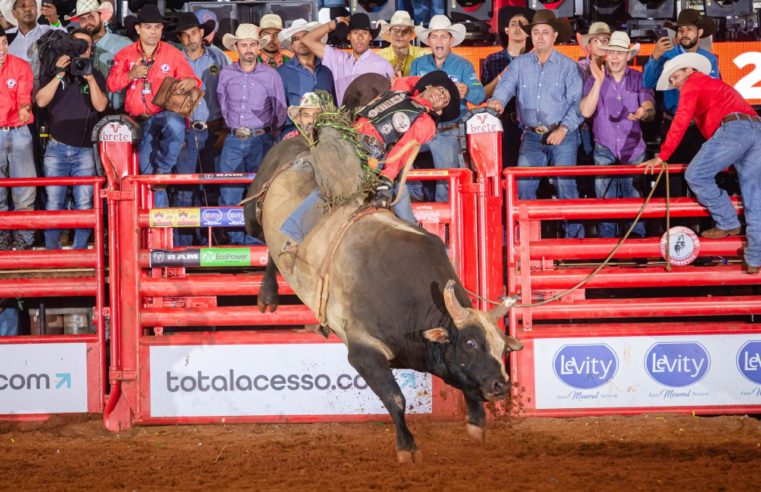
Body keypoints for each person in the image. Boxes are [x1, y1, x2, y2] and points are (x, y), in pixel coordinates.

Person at [278, 71, 460, 273]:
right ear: (429, 85)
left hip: (372, 156)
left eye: (445, 100)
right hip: (347, 136)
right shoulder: (400, 91)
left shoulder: (425, 123)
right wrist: (422, 84)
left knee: (333, 185)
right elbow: (407, 81)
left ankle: (291, 241)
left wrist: (386, 180)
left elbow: (402, 149)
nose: (442, 96)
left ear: (441, 111)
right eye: (441, 90)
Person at [640, 53, 761, 274]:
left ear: (688, 70)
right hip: (755, 129)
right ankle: (754, 259)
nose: (674, 83)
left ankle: (727, 221)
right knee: (755, 199)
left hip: (734, 130)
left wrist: (662, 155)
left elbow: (681, 119)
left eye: (675, 76)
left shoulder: (693, 83)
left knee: (696, 174)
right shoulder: (714, 86)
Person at [488, 10, 584, 239]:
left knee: (566, 187)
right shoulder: (520, 65)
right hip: (531, 136)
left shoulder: (569, 67)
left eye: (545, 32)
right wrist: (498, 102)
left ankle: (574, 244)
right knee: (523, 188)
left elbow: (579, 104)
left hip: (563, 134)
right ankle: (524, 243)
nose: (540, 37)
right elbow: (505, 88)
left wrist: (563, 129)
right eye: (536, 33)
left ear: (554, 36)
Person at [106, 4, 201, 208]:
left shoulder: (172, 53)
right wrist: (130, 75)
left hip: (162, 115)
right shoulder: (126, 54)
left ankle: (165, 168)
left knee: (175, 122)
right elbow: (112, 85)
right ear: (138, 29)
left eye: (157, 27)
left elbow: (192, 79)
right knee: (149, 177)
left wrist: (191, 82)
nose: (153, 31)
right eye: (148, 27)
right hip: (137, 121)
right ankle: (154, 230)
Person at [36, 28, 107, 250]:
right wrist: (59, 73)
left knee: (84, 203)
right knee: (54, 202)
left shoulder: (95, 74)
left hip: (85, 149)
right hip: (56, 146)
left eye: (86, 45)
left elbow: (101, 106)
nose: (82, 49)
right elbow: (40, 101)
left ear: (92, 50)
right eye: (77, 44)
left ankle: (80, 253)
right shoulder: (54, 70)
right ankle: (52, 253)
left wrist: (90, 78)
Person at [580, 31, 654, 238]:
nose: (614, 57)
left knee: (634, 199)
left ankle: (637, 246)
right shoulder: (594, 80)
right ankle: (608, 247)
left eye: (619, 53)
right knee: (605, 202)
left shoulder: (639, 78)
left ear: (628, 56)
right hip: (604, 147)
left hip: (633, 149)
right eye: (611, 52)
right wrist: (597, 82)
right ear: (605, 55)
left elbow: (650, 107)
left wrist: (644, 111)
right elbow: (586, 111)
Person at [217, 23, 286, 245]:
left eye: (252, 45)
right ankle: (236, 243)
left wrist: (270, 135)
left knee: (261, 191)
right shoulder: (226, 74)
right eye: (244, 44)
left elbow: (280, 110)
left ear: (259, 47)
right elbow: (222, 104)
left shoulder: (271, 75)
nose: (248, 49)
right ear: (236, 47)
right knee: (229, 192)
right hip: (233, 138)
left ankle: (256, 244)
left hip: (261, 138)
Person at [410, 15, 485, 202]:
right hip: (423, 129)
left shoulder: (464, 66)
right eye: (434, 36)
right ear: (429, 40)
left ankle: (445, 228)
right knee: (397, 155)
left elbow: (480, 96)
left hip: (449, 131)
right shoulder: (418, 64)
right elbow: (411, 95)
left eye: (443, 36)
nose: (439, 41)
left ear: (451, 40)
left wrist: (467, 90)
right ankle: (416, 196)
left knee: (446, 184)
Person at [174, 11, 230, 246]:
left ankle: (216, 239)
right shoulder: (174, 60)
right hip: (184, 130)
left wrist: (226, 127)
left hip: (214, 127)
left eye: (194, 33)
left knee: (213, 185)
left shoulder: (218, 58)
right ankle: (186, 242)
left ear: (201, 33)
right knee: (186, 188)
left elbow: (230, 91)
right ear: (180, 38)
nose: (190, 39)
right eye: (185, 35)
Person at [643, 9, 719, 165]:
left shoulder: (710, 59)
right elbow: (647, 82)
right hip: (672, 124)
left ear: (700, 32)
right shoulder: (666, 55)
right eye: (681, 30)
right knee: (672, 179)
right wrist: (655, 56)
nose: (684, 33)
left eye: (690, 29)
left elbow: (715, 94)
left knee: (698, 177)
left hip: (699, 127)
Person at [0, 25, 34, 336]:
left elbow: (24, 95)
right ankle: (3, 240)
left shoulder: (19, 66)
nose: (0, 47)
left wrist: (24, 107)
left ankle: (22, 241)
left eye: (1, 42)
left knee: (24, 190)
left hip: (18, 130)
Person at [481, 6, 533, 168]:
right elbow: (483, 96)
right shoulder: (492, 60)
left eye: (523, 24)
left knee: (532, 173)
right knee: (505, 168)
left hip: (531, 123)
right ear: (506, 30)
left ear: (529, 31)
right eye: (513, 24)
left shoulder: (536, 60)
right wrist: (500, 78)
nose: (518, 28)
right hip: (503, 123)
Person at [302, 13, 393, 105]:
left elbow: (390, 99)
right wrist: (335, 22)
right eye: (355, 33)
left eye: (364, 33)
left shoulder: (383, 65)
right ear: (349, 36)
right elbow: (307, 40)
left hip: (369, 118)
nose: (360, 37)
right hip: (341, 117)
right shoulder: (337, 59)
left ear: (370, 37)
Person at [70, 0, 131, 112]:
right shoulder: (73, 47)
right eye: (83, 19)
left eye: (91, 17)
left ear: (102, 16)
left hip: (117, 113)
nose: (87, 23)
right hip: (84, 112)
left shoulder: (124, 45)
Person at [277, 18, 335, 135]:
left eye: (305, 37)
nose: (302, 41)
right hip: (294, 133)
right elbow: (278, 112)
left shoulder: (327, 72)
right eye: (296, 39)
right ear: (292, 45)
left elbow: (334, 105)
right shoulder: (282, 73)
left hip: (325, 133)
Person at [377, 10, 428, 77]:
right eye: (396, 30)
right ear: (389, 33)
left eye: (405, 31)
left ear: (411, 34)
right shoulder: (378, 58)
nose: (400, 35)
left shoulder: (424, 56)